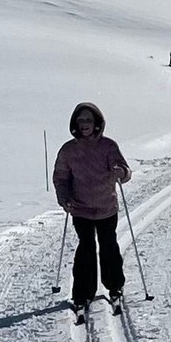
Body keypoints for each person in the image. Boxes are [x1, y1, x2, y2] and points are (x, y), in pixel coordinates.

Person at [53, 102, 131, 322]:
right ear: (75, 123)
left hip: (106, 206)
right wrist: (65, 199)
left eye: (88, 120)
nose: (84, 124)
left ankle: (115, 286)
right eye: (81, 120)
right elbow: (61, 178)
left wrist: (121, 172)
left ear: (97, 122)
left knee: (108, 246)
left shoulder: (108, 146)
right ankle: (82, 294)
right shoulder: (69, 150)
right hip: (81, 208)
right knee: (86, 249)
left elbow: (125, 172)